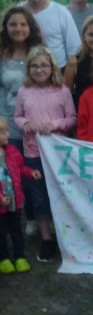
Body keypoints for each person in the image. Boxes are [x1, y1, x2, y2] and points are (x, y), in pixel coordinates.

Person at [14, 46, 76, 262]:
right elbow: (17, 116)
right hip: (33, 153)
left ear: (51, 67)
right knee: (39, 196)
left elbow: (72, 118)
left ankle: (65, 235)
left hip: (59, 153)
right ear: (29, 69)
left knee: (61, 193)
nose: (40, 69)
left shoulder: (63, 91)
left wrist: (56, 123)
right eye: (35, 66)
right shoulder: (24, 91)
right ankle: (47, 238)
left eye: (44, 65)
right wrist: (25, 123)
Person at [0, 6, 44, 237]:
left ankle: (38, 218)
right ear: (6, 28)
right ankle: (17, 220)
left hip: (38, 127)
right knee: (13, 174)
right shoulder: (1, 55)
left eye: (22, 24)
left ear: (30, 27)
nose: (18, 28)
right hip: (10, 126)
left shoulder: (40, 53)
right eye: (13, 24)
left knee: (35, 176)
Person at [0, 116, 41, 274]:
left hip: (14, 203)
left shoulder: (12, 151)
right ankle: (3, 258)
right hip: (1, 206)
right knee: (1, 233)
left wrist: (31, 173)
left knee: (16, 231)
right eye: (3, 133)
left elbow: (21, 168)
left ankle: (19, 256)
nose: (8, 135)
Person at [22, 0, 80, 69]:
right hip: (23, 73)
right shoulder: (16, 13)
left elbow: (74, 50)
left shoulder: (61, 12)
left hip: (57, 73)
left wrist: (67, 81)